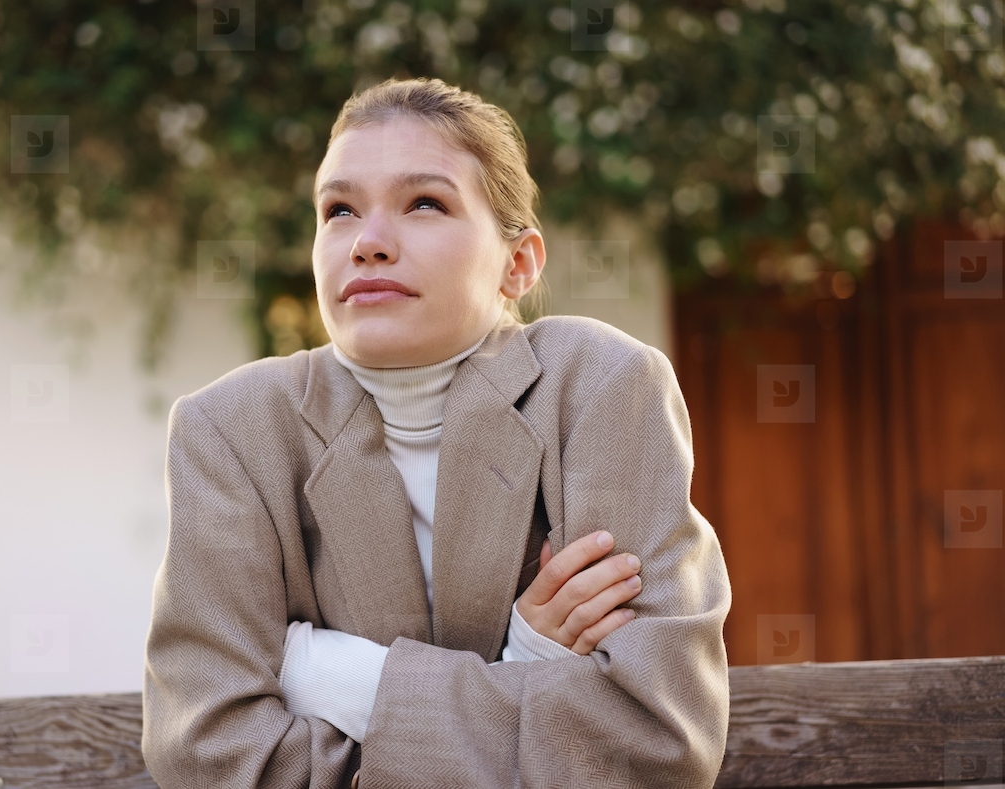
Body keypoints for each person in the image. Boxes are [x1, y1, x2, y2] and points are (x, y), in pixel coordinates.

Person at [141, 76, 731, 788]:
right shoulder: (228, 430)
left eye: (424, 202)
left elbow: (656, 741)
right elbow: (210, 757)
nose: (368, 242)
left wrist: (339, 676)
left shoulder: (604, 387)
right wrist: (527, 673)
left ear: (519, 264)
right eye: (339, 210)